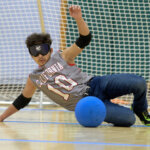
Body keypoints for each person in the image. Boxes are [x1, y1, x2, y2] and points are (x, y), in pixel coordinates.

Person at [0, 5, 150, 127]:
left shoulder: (62, 56)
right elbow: (22, 100)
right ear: (31, 55)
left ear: (50, 50)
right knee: (129, 119)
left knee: (139, 82)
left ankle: (140, 109)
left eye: (43, 50)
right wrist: (2, 117)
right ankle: (126, 111)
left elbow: (85, 38)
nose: (40, 55)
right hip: (86, 105)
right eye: (35, 52)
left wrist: (78, 19)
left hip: (97, 84)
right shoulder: (34, 78)